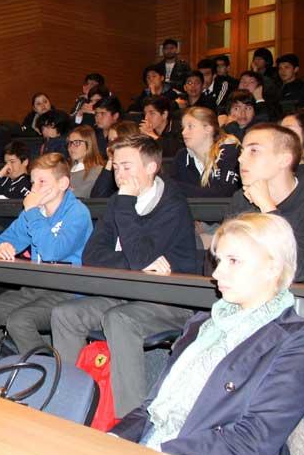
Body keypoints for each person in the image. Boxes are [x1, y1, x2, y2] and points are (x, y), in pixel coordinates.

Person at [0, 212, 304, 455]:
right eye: (219, 261)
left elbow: (253, 441)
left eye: (234, 262)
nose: (217, 275)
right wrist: (112, 442)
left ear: (272, 268)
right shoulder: (204, 325)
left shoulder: (293, 340)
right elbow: (150, 407)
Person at [52, 134, 198, 419]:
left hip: (170, 299)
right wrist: (132, 263)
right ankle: (68, 405)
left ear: (152, 167)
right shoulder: (118, 202)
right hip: (126, 293)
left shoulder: (172, 205)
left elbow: (142, 256)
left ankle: (128, 419)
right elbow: (92, 255)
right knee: (64, 313)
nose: (119, 174)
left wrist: (127, 206)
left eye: (127, 166)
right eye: (116, 166)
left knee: (120, 320)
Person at [0, 153, 93, 359]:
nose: (34, 189)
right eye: (33, 182)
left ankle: (44, 371)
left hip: (67, 291)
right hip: (34, 288)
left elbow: (52, 251)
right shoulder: (33, 214)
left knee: (19, 320)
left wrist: (32, 211)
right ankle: (9, 368)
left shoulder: (77, 213)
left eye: (42, 182)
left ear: (63, 183)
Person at [227, 123, 304, 282]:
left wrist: (267, 208)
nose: (240, 158)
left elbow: (298, 269)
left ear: (284, 160)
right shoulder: (241, 199)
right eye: (242, 151)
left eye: (254, 151)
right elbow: (218, 261)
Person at [174, 107, 241, 198]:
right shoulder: (182, 156)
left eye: (190, 126)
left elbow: (224, 194)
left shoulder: (230, 152)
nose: (183, 132)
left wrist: (175, 187)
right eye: (183, 128)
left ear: (208, 128)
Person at [89, 120, 140, 198]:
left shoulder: (138, 165)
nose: (110, 145)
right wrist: (110, 160)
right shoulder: (111, 165)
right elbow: (97, 197)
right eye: (109, 141)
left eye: (115, 140)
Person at [66, 125, 104, 198]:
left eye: (77, 143)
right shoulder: (65, 168)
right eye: (70, 143)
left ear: (89, 145)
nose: (71, 147)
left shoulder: (97, 171)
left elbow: (79, 195)